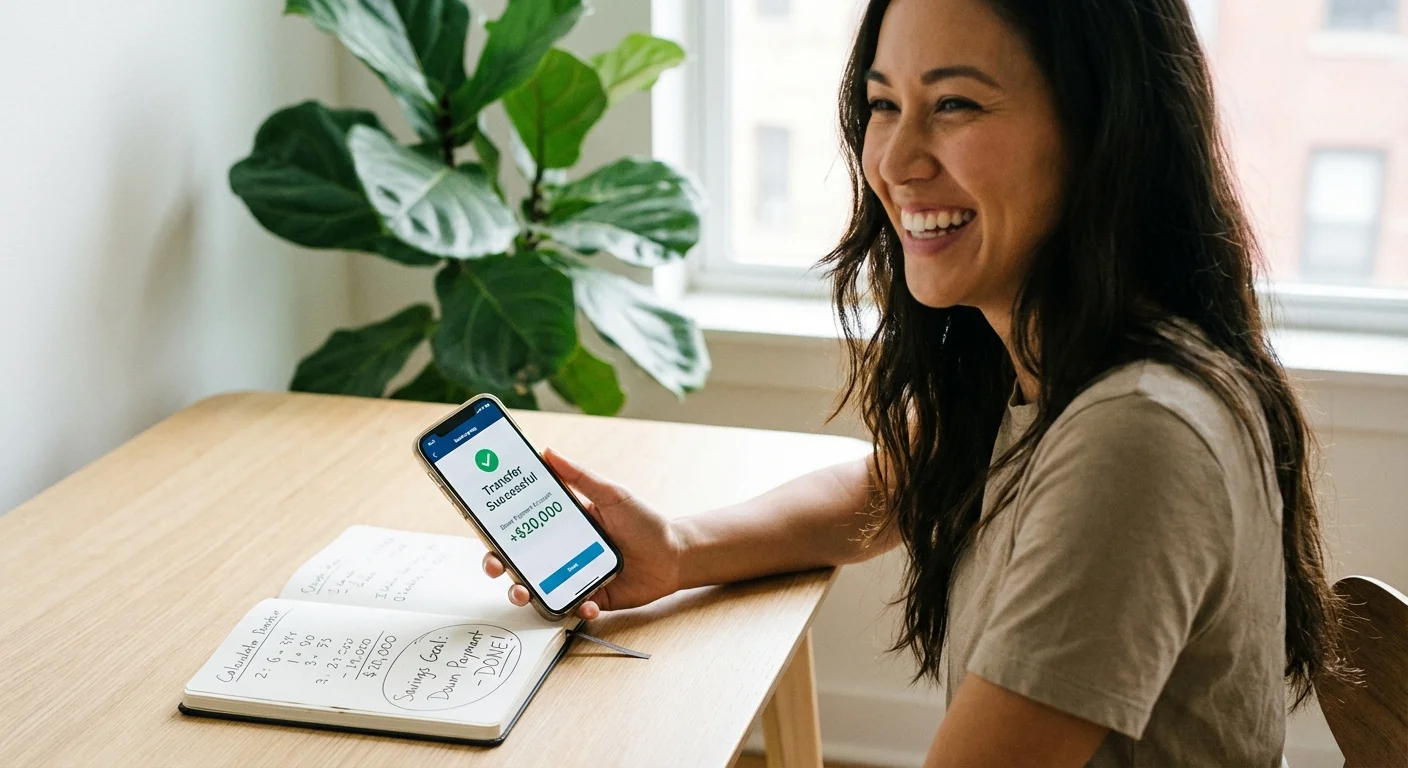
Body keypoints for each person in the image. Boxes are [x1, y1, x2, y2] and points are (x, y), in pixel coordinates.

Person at [484, 0, 1346, 764]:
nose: (892, 159)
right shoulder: (1056, 368)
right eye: (883, 104)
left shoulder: (1139, 434)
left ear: (1104, 129)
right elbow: (897, 481)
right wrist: (678, 549)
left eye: (955, 104)